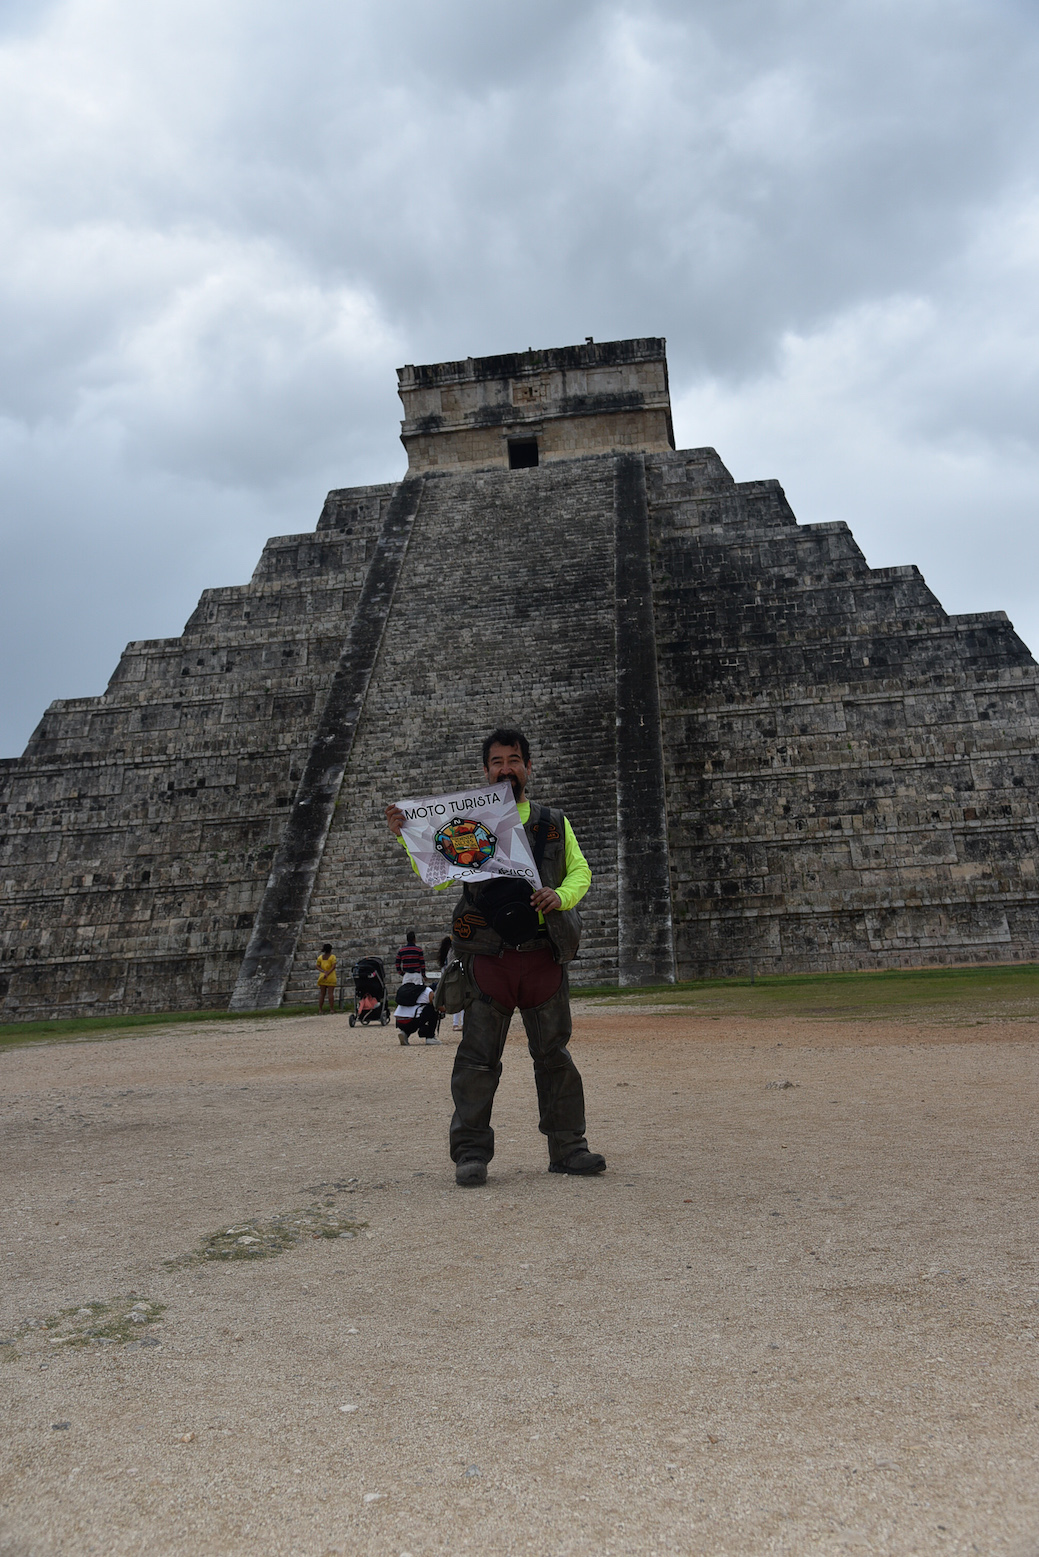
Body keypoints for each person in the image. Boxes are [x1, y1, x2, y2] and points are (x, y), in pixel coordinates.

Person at [385, 726, 606, 1186]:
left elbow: (581, 872)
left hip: (543, 956)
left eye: (514, 760)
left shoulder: (552, 820)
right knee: (476, 1060)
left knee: (555, 1059)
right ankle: (470, 1154)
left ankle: (569, 1147)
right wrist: (409, 836)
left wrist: (559, 897)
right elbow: (442, 875)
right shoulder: (470, 822)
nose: (506, 769)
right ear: (485, 771)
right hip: (487, 959)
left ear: (528, 766)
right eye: (497, 762)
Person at [393, 981, 441, 1046]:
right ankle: (430, 1037)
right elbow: (439, 1006)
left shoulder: (414, 991)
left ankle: (405, 1033)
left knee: (416, 1013)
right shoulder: (429, 992)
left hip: (399, 1021)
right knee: (433, 1009)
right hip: (412, 1021)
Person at [438, 934, 463, 1033]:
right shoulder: (453, 951)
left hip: (450, 977)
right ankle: (458, 1023)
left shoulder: (447, 951)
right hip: (456, 976)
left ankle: (456, 1023)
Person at [316, 943, 337, 1012]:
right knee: (330, 993)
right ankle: (331, 1009)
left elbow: (317, 966)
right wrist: (328, 973)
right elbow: (333, 966)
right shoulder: (332, 957)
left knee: (322, 994)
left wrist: (323, 971)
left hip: (322, 976)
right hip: (331, 976)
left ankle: (320, 1009)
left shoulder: (320, 957)